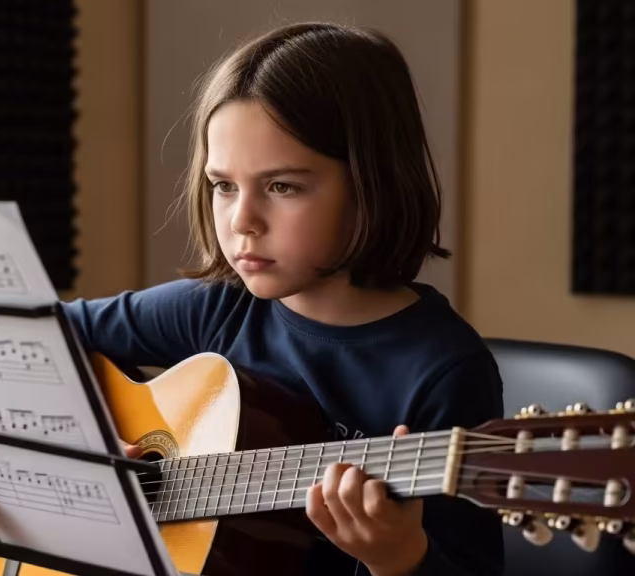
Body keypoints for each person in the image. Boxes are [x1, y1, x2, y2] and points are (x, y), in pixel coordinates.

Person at [61, 21, 504, 576]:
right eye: (224, 185)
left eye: (282, 187)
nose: (242, 221)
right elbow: (34, 338)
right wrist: (88, 440)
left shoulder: (441, 369)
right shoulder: (216, 309)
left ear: (372, 185)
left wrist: (399, 557)